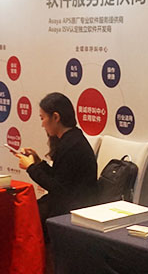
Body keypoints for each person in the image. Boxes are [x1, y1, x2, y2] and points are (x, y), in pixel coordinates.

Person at [13, 92, 98, 240]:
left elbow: (57, 187)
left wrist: (31, 168)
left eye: (43, 118)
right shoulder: (70, 139)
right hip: (67, 201)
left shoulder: (72, 145)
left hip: (73, 208)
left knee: (23, 216)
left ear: (56, 117)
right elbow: (59, 177)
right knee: (25, 210)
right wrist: (38, 162)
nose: (42, 124)